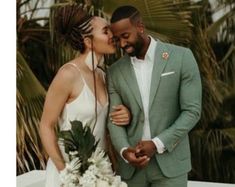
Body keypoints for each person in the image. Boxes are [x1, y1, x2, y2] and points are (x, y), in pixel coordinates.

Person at [107, 5, 202, 187]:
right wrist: (125, 151)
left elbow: (192, 111)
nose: (122, 44)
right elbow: (114, 119)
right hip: (132, 170)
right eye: (118, 39)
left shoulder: (181, 58)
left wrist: (157, 143)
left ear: (140, 27)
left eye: (125, 36)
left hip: (171, 167)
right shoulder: (114, 72)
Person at [39, 4, 130, 187]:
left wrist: (125, 115)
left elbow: (107, 127)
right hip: (67, 174)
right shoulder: (68, 75)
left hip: (99, 173)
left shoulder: (104, 76)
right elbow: (46, 126)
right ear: (88, 42)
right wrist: (65, 172)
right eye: (106, 31)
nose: (112, 35)